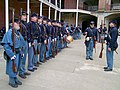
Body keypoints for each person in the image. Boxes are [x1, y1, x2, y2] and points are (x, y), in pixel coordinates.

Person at [1, 18, 25, 88]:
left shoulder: (17, 33)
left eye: (18, 23)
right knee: (12, 67)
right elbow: (6, 45)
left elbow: (22, 42)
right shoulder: (9, 33)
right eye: (16, 23)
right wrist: (11, 55)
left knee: (17, 66)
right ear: (11, 24)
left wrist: (22, 52)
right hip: (13, 53)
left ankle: (15, 78)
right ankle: (11, 81)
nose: (18, 24)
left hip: (18, 52)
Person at [19, 11, 31, 79]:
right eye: (23, 15)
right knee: (21, 57)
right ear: (20, 16)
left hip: (26, 41)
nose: (25, 17)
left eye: (26, 15)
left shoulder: (25, 24)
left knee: (24, 57)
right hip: (21, 42)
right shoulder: (19, 23)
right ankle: (20, 71)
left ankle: (23, 70)